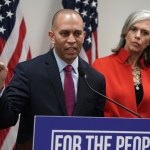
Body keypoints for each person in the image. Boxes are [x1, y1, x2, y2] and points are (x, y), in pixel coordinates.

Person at [0, 9, 106, 149]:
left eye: (77, 33)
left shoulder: (95, 79)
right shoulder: (29, 71)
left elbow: (96, 130)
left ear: (84, 35)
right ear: (52, 36)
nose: (72, 40)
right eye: (64, 33)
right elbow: (5, 120)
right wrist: (0, 87)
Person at [93, 9, 150, 118]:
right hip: (111, 132)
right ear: (125, 33)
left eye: (145, 33)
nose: (137, 36)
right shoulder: (101, 66)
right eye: (133, 29)